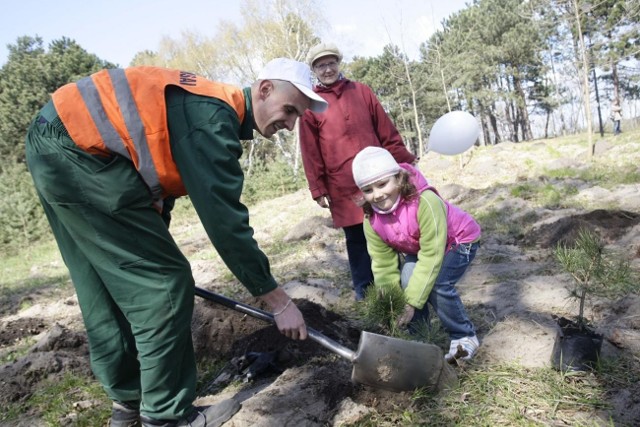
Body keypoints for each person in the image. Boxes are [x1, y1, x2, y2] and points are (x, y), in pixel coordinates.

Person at [24, 58, 327, 427]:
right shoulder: (214, 120)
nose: (290, 124)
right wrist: (278, 302)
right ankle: (167, 415)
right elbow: (226, 224)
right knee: (165, 284)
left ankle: (128, 405)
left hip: (54, 143)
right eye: (290, 109)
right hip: (79, 154)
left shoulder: (204, 106)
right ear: (265, 90)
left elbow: (154, 181)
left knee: (103, 283)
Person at [298, 42, 417, 301]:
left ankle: (398, 292)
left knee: (388, 234)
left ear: (338, 63)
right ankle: (367, 298)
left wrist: (405, 161)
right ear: (314, 70)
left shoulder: (361, 92)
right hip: (342, 186)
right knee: (357, 241)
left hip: (379, 180)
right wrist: (317, 188)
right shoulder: (311, 106)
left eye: (331, 63)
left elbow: (386, 131)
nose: (327, 69)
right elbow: (310, 152)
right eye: (321, 65)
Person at [351, 146, 481, 363]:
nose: (378, 194)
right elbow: (383, 264)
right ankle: (420, 338)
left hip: (459, 240)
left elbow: (431, 255)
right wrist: (392, 305)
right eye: (368, 189)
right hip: (421, 248)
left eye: (383, 184)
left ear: (398, 178)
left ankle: (463, 335)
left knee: (438, 284)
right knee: (407, 278)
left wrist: (411, 303)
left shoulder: (426, 202)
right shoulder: (371, 220)